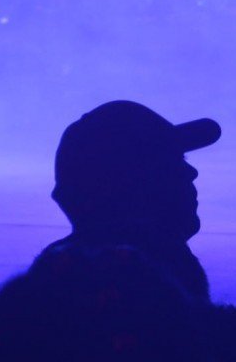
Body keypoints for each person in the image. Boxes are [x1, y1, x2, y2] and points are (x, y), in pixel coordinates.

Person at [38, 100, 221, 303]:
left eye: (182, 158)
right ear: (122, 180)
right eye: (168, 160)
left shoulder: (45, 299)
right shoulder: (140, 308)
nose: (191, 172)